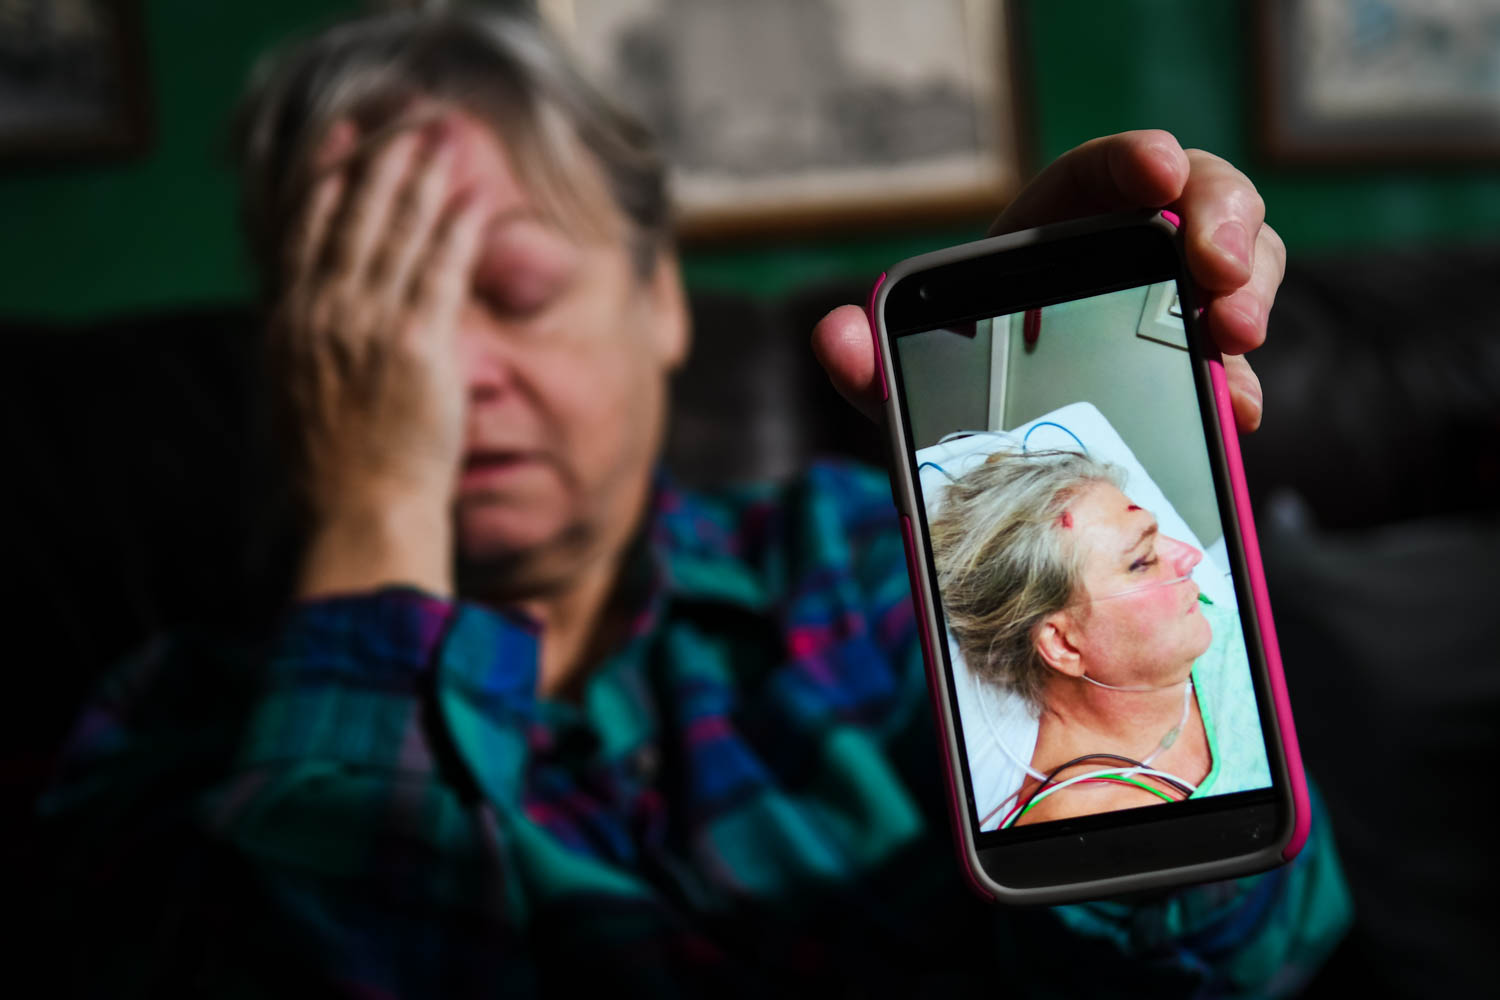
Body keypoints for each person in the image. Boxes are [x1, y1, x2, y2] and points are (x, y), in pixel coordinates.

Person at [35, 8, 1348, 996]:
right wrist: (377, 521)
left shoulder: (868, 577)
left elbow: (1263, 962)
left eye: (514, 292)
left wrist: (1151, 815)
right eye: (369, 317)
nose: (441, 376)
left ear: (662, 299)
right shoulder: (173, 732)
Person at [931, 450, 1271, 829]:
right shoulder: (1077, 828)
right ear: (1064, 645)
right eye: (1142, 561)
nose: (1190, 557)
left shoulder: (1227, 629)